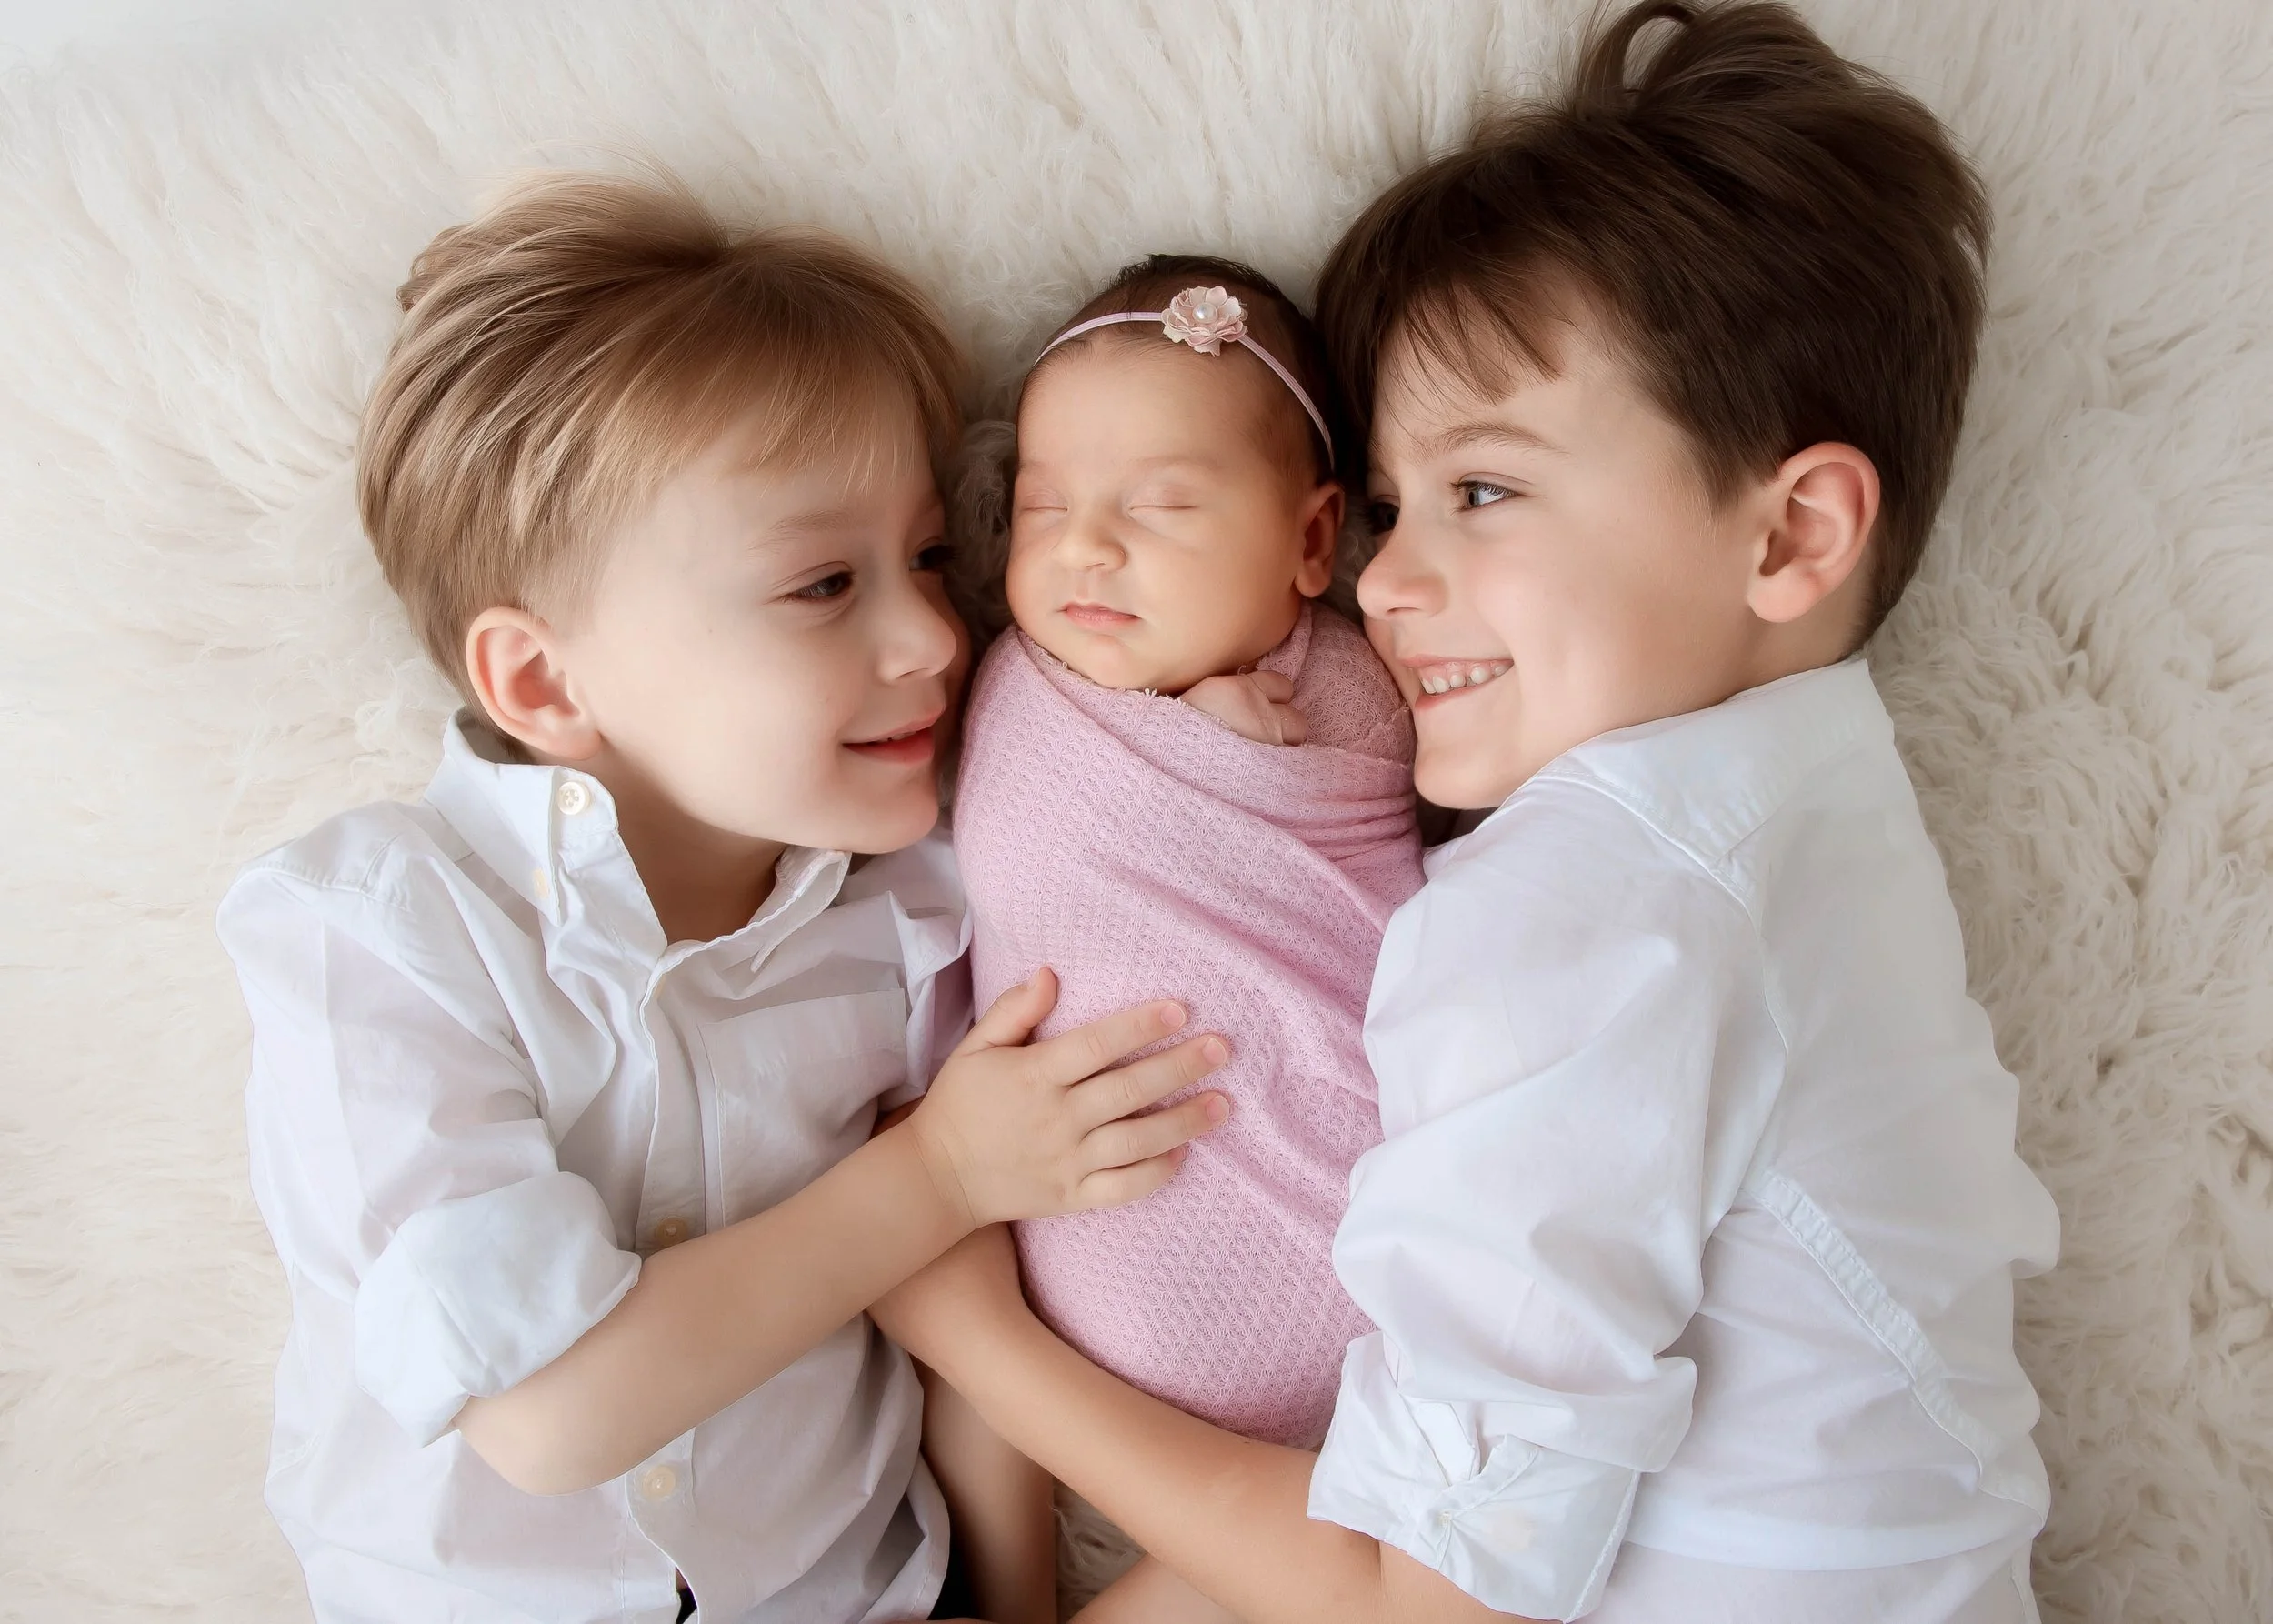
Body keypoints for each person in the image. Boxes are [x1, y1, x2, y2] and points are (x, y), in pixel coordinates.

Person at [877, 5, 2061, 1621]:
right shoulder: (1822, 819)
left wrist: (974, 1335)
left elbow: (1420, 1600)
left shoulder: (1587, 912)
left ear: (1792, 536)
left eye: (1484, 490)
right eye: (1385, 506)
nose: (1391, 579)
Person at [215, 171, 1228, 1624]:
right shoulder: (383, 932)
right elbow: (553, 1416)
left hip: (873, 1592)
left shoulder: (916, 903)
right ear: (545, 681)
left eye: (931, 556)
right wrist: (937, 1170)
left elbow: (976, 1295)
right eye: (825, 583)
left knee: (1362, 1541)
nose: (935, 635)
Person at [932, 256, 1426, 1620]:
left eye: (1158, 505)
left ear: (1313, 545)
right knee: (951, 1334)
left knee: (1330, 1538)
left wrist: (1293, 735)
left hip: (1355, 1288)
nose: (1085, 545)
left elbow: (1393, 896)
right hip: (1058, 1271)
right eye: (1042, 505)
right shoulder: (1017, 696)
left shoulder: (1368, 698)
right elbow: (1021, 866)